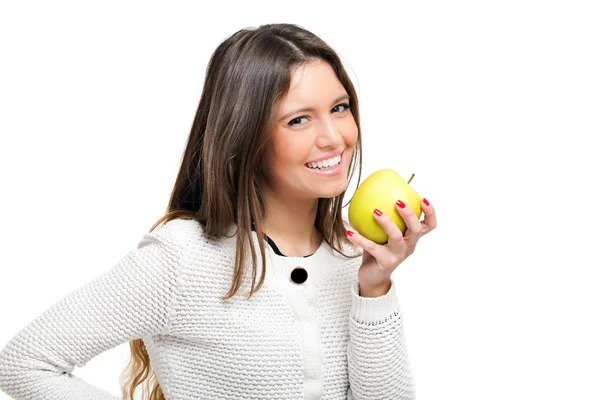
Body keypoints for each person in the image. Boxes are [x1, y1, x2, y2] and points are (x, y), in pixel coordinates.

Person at [0, 23, 436, 400]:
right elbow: (25, 363)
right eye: (298, 119)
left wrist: (374, 288)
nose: (334, 137)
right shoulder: (181, 258)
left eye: (339, 108)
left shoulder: (350, 257)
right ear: (245, 134)